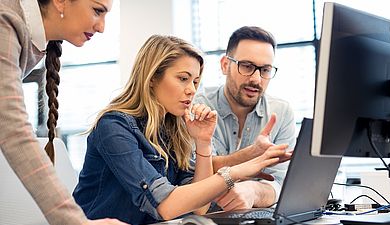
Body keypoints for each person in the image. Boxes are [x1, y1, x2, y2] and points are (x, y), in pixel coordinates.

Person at [73, 34, 290, 225]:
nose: (192, 90)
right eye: (183, 79)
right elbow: (166, 205)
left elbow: (200, 207)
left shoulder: (172, 128)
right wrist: (236, 171)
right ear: (151, 78)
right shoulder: (113, 126)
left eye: (195, 81)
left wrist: (203, 142)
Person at [0, 0, 128, 224]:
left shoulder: (29, 34)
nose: (102, 27)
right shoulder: (5, 20)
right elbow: (13, 132)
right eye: (97, 11)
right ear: (60, 2)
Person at [193, 26, 296, 211]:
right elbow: (199, 173)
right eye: (247, 66)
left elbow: (281, 184)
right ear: (225, 65)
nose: (256, 79)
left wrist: (254, 191)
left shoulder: (281, 112)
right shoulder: (197, 108)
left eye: (265, 70)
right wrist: (253, 154)